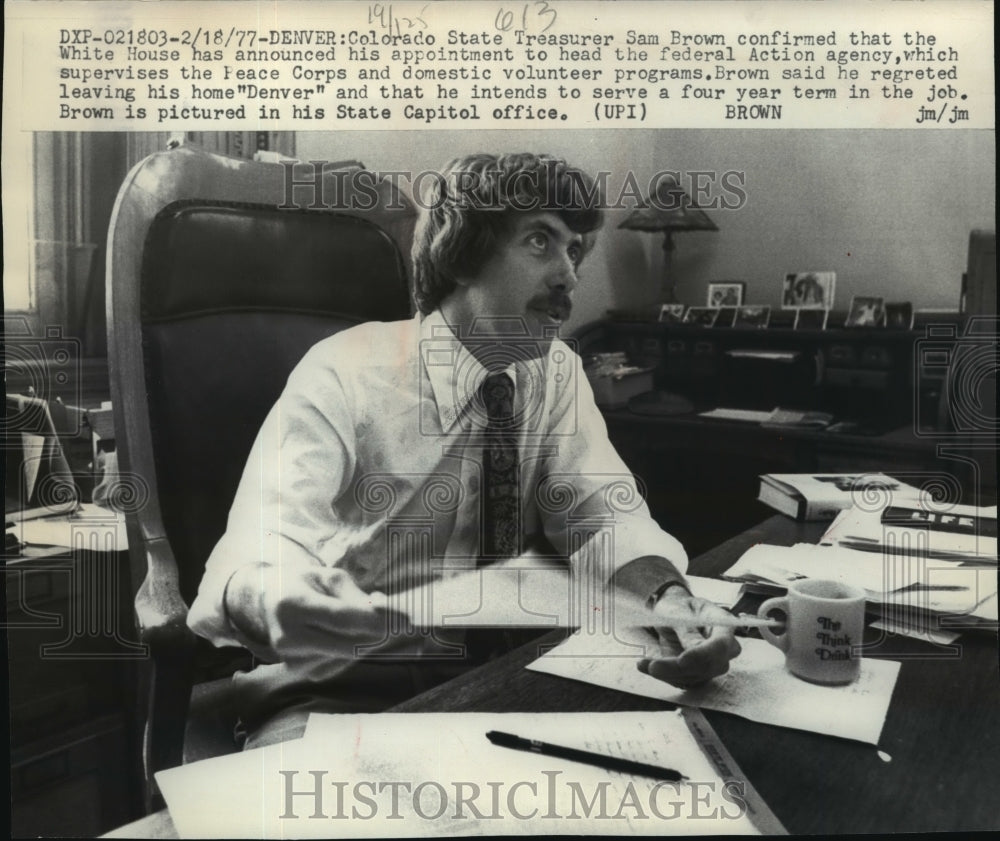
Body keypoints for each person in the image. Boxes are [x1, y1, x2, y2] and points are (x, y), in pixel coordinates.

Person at [187, 152, 741, 748]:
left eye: (575, 250)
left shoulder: (556, 372)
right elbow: (260, 543)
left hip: (506, 680)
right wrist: (280, 599)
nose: (569, 276)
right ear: (463, 252)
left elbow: (605, 519)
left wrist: (671, 599)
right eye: (539, 241)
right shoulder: (343, 371)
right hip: (338, 690)